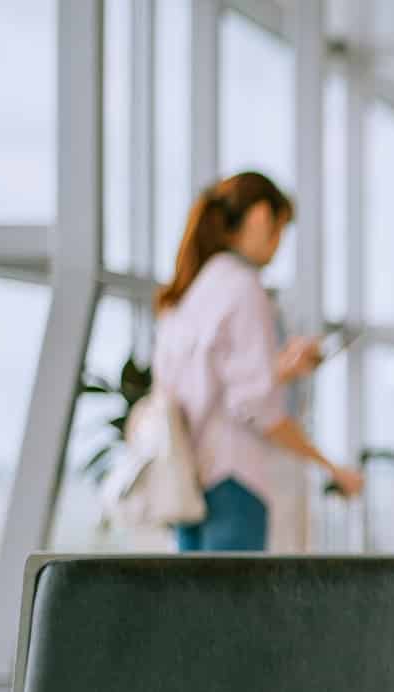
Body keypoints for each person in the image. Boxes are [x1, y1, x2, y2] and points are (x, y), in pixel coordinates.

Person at [153, 170, 363, 551]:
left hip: (189, 482)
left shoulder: (193, 289)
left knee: (192, 592)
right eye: (280, 230)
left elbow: (214, 387)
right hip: (233, 481)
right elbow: (256, 407)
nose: (278, 245)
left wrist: (278, 369)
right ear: (261, 217)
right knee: (235, 592)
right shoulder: (244, 288)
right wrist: (331, 467)